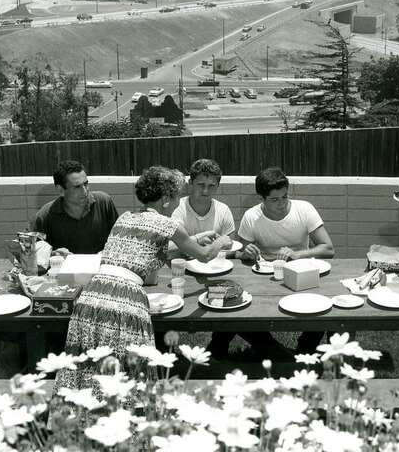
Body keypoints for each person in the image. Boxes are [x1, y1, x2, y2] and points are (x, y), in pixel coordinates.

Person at [55, 166, 230, 394]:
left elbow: (150, 251)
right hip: (124, 300)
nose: (179, 202)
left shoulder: (125, 219)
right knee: (130, 379)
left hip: (92, 296)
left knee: (88, 374)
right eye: (176, 196)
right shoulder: (168, 224)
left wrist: (195, 238)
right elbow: (205, 256)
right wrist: (221, 241)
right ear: (166, 199)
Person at [207, 167, 334, 359]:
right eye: (274, 199)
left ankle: (306, 347)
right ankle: (272, 353)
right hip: (263, 274)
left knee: (324, 306)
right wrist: (247, 252)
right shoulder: (252, 216)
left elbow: (328, 249)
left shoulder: (304, 209)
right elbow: (241, 253)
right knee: (234, 306)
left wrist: (298, 254)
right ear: (261, 199)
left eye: (285, 197)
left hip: (300, 271)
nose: (282, 203)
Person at [32, 160, 119, 255]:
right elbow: (33, 255)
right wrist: (52, 254)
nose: (85, 191)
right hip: (64, 269)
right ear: (61, 190)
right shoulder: (45, 215)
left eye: (86, 184)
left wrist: (108, 252)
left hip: (101, 268)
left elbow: (120, 241)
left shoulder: (104, 202)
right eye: (77, 187)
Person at [170, 158, 235, 250]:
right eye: (201, 184)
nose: (206, 191)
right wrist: (199, 239)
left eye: (211, 186)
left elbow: (231, 248)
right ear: (190, 183)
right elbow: (169, 248)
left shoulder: (223, 210)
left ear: (217, 186)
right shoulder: (177, 208)